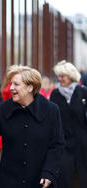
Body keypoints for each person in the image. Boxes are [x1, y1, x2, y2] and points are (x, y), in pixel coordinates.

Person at [50, 60, 87, 188]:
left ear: (71, 76)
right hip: (63, 143)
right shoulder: (55, 94)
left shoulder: (82, 92)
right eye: (58, 76)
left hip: (82, 144)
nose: (60, 79)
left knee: (82, 178)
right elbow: (52, 119)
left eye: (63, 76)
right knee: (65, 178)